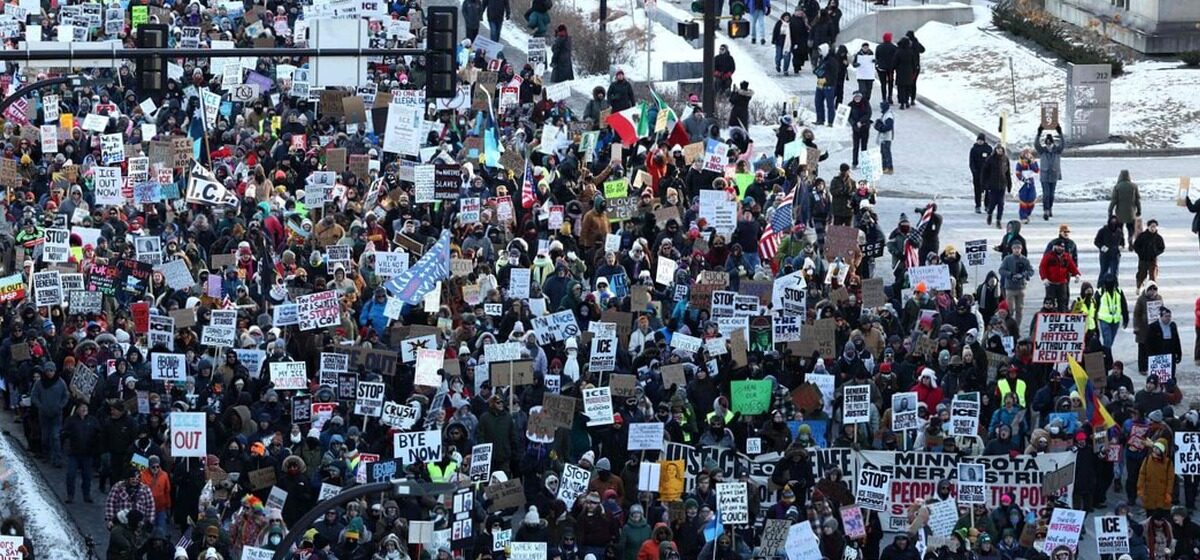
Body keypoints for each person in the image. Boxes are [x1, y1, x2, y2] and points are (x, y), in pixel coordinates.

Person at [30, 363, 67, 467]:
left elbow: (66, 396)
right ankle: (46, 455)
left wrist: (60, 406)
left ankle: (57, 458)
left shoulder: (60, 383)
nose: (50, 373)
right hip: (44, 414)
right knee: (45, 437)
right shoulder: (39, 383)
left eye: (51, 371)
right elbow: (34, 396)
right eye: (47, 371)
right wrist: (40, 406)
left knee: (56, 436)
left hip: (57, 414)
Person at [62, 401, 100, 503]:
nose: (84, 410)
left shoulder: (92, 420)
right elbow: (63, 432)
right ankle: (70, 495)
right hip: (74, 453)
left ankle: (86, 495)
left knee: (87, 476)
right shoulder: (71, 420)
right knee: (71, 474)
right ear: (77, 409)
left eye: (85, 408)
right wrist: (66, 433)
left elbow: (98, 433)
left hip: (88, 453)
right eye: (82, 408)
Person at [998, 242, 1033, 326]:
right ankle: (1008, 326)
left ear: (1021, 249)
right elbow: (1001, 270)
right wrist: (1010, 275)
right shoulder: (1007, 259)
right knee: (1010, 309)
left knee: (1019, 309)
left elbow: (1031, 271)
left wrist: (1023, 275)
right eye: (1015, 248)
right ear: (1012, 249)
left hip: (1021, 287)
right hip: (1010, 288)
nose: (1017, 250)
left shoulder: (1025, 260)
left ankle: (1017, 327)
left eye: (1018, 248)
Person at [1035, 124, 1064, 220]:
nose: (1048, 145)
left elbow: (1063, 144)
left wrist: (1060, 133)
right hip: (1044, 174)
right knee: (1046, 194)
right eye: (1047, 143)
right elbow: (1036, 144)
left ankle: (1050, 207)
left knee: (1051, 194)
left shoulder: (1057, 150)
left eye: (1050, 143)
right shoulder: (1042, 151)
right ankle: (1046, 210)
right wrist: (1039, 133)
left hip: (1054, 174)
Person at [1039, 243, 1080, 313]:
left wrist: (1076, 274)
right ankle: (1050, 317)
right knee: (1050, 302)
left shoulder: (1066, 256)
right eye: (1058, 246)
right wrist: (1044, 278)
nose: (1060, 248)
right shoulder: (1048, 256)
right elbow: (1042, 267)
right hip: (1050, 283)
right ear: (1054, 247)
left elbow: (1072, 266)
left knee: (1062, 302)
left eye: (1062, 247)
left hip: (1062, 283)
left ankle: (1062, 317)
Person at [1145, 307, 1182, 382]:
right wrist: (1151, 356)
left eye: (1169, 316)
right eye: (1166, 316)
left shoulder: (1172, 325)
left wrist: (1179, 353)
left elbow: (1177, 340)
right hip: (1158, 353)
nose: (1168, 318)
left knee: (1170, 374)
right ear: (1161, 316)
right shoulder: (1153, 326)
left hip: (1170, 352)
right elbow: (1148, 343)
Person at [1109, 169, 1142, 247]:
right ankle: (1130, 239)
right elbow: (1137, 200)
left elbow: (1114, 200)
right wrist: (1139, 210)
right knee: (1131, 228)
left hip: (1120, 213)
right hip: (1131, 212)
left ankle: (1121, 242)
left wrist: (1110, 210)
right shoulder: (1134, 186)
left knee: (1119, 228)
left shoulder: (1117, 187)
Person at [981, 146, 1012, 228]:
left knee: (1001, 204)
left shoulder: (1005, 159)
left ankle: (998, 220)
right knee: (992, 203)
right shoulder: (990, 159)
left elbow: (1008, 173)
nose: (999, 151)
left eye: (1001, 150)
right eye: (998, 150)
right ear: (995, 150)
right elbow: (985, 173)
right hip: (992, 185)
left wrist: (1009, 185)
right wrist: (984, 185)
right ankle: (990, 214)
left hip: (1002, 185)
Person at [1133, 218, 1164, 293]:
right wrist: (1140, 253)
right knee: (1141, 274)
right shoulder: (1142, 236)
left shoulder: (1158, 238)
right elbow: (1136, 246)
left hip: (1153, 259)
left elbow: (1162, 248)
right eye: (1152, 226)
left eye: (1154, 226)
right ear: (1148, 227)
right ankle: (1138, 287)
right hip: (1143, 259)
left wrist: (1155, 252)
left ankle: (1152, 290)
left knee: (1153, 276)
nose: (1153, 228)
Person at [1094, 214, 1126, 283]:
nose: (1113, 223)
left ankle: (1115, 286)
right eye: (1112, 221)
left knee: (1114, 272)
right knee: (1103, 271)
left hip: (1115, 255)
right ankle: (1101, 285)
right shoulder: (1103, 230)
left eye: (1115, 221)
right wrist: (1102, 247)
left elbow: (1122, 242)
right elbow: (1096, 241)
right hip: (1105, 255)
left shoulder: (1119, 231)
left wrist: (1121, 246)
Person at [813, 44, 838, 126]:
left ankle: (831, 121)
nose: (819, 52)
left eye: (821, 50)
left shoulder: (832, 60)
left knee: (829, 104)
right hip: (820, 82)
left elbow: (834, 73)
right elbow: (819, 69)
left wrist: (827, 78)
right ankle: (820, 119)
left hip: (829, 84)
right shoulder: (822, 59)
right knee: (818, 101)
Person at [969, 133, 993, 214]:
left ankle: (987, 205)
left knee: (988, 190)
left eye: (981, 140)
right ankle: (978, 205)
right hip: (977, 173)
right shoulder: (973, 149)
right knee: (977, 190)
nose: (980, 142)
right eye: (978, 140)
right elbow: (971, 162)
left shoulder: (988, 149)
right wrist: (974, 171)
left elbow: (992, 160)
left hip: (987, 174)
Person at [1014, 148, 1039, 223]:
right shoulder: (1020, 163)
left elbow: (1037, 170)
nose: (1027, 156)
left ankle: (1028, 212)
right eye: (1026, 155)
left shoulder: (1033, 161)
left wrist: (1031, 163)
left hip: (1031, 182)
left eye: (1028, 154)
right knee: (1023, 199)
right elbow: (1018, 173)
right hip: (1023, 183)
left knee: (1032, 198)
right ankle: (1023, 216)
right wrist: (1023, 179)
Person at [847, 91, 871, 167]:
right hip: (856, 129)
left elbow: (868, 114)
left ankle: (865, 162)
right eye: (856, 97)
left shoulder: (866, 103)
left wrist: (861, 121)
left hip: (865, 127)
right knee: (855, 146)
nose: (857, 98)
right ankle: (854, 162)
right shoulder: (850, 105)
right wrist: (854, 124)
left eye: (859, 97)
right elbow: (849, 116)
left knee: (864, 146)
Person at [893, 37, 917, 109]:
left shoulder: (898, 52)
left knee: (901, 88)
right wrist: (914, 70)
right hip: (909, 71)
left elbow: (895, 62)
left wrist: (894, 68)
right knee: (907, 87)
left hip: (900, 71)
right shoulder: (911, 52)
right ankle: (907, 101)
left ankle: (902, 103)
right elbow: (914, 63)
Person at [874, 32, 897, 104]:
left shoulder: (879, 47)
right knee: (890, 83)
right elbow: (896, 57)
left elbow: (877, 57)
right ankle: (890, 97)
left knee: (883, 83)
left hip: (881, 68)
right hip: (890, 68)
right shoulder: (894, 47)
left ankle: (884, 98)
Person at [875, 101, 895, 174]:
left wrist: (880, 127)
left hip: (886, 137)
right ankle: (884, 167)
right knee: (883, 152)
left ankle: (889, 168)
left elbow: (888, 127)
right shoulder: (885, 114)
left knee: (886, 152)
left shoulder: (888, 116)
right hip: (884, 137)